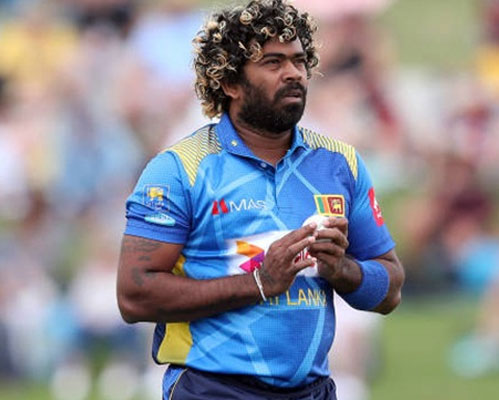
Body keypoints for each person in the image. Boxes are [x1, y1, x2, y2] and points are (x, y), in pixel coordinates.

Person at [115, 1, 404, 399]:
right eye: (272, 62)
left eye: (299, 61)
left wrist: (342, 270)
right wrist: (258, 283)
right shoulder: (179, 169)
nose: (293, 73)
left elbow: (390, 289)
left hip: (313, 391)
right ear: (230, 83)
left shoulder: (340, 164)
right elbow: (134, 296)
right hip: (211, 390)